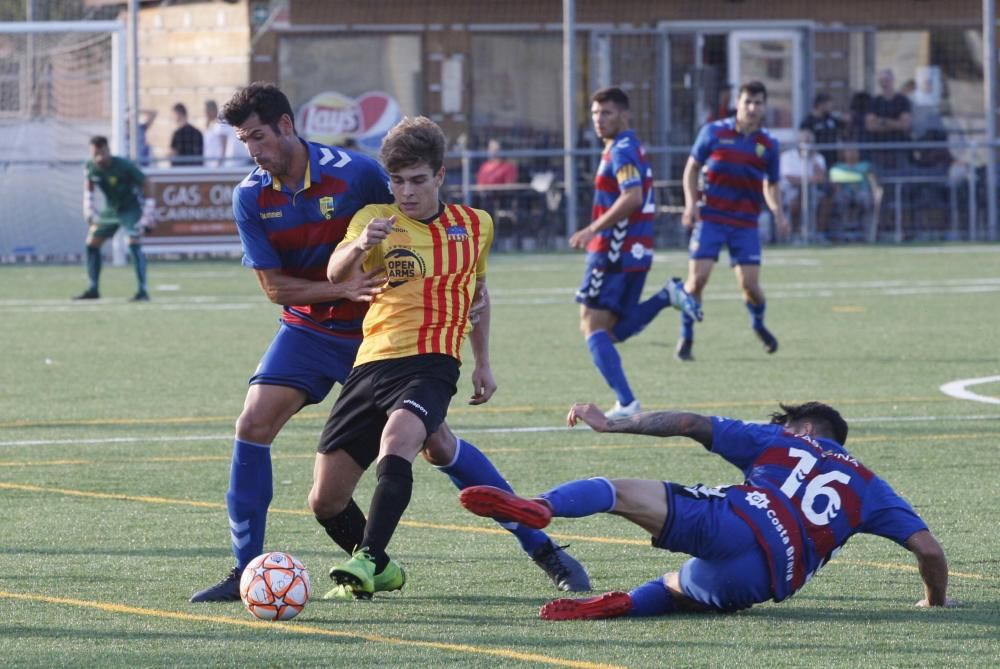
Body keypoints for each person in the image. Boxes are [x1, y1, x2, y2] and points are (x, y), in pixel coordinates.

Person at [188, 85, 588, 603]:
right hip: (310, 328)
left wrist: (458, 306)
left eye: (258, 137)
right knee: (253, 423)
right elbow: (275, 288)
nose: (253, 151)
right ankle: (249, 570)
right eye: (244, 141)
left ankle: (542, 547)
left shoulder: (355, 173)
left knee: (437, 445)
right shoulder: (251, 195)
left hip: (387, 334)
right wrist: (342, 286)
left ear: (286, 125)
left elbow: (417, 208)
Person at [460, 401, 957, 620]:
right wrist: (933, 602)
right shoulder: (871, 485)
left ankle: (543, 506)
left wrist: (611, 425)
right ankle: (628, 603)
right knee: (675, 589)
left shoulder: (781, 440)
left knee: (618, 492)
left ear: (804, 429)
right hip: (766, 579)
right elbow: (929, 551)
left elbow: (690, 422)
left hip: (735, 520)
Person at [315, 115, 536, 599]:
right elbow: (335, 273)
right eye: (397, 181)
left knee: (399, 441)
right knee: (325, 500)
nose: (407, 192)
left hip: (433, 361)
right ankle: (384, 568)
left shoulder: (475, 226)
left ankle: (368, 559)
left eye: (417, 180)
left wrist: (483, 362)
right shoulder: (373, 219)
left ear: (440, 175)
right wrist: (359, 245)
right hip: (370, 363)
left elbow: (479, 295)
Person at [570, 86, 702, 419]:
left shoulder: (621, 152)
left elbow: (632, 197)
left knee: (592, 326)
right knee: (611, 330)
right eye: (596, 113)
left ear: (625, 114)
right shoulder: (627, 147)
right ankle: (667, 296)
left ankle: (627, 402)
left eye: (607, 113)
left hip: (614, 250)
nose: (599, 120)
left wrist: (592, 229)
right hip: (635, 250)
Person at [678, 81, 788, 362]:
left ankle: (758, 324)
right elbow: (691, 169)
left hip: (745, 223)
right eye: (747, 102)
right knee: (697, 280)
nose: (752, 108)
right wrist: (691, 204)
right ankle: (686, 338)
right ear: (737, 104)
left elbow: (771, 184)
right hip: (711, 218)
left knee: (751, 287)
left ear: (764, 107)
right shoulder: (713, 132)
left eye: (758, 103)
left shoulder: (768, 144)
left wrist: (777, 211)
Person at [73, 135, 155, 302]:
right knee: (91, 243)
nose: (99, 158)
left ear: (108, 150)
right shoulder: (91, 166)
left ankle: (142, 291)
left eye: (102, 153)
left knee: (133, 242)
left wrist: (148, 213)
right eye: (95, 154)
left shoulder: (123, 165)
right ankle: (93, 288)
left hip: (130, 209)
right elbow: (89, 183)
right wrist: (88, 207)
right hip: (110, 211)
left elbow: (147, 182)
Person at [779, 129, 830, 243]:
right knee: (795, 203)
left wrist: (812, 158)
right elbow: (789, 178)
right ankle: (795, 233)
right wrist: (809, 180)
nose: (806, 143)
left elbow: (821, 177)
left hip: (813, 189)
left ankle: (818, 233)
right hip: (791, 189)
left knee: (826, 201)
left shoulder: (818, 157)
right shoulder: (787, 156)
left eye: (809, 141)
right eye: (804, 140)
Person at [865, 69, 912, 172]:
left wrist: (882, 121)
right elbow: (870, 126)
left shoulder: (902, 101)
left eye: (886, 80)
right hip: (879, 149)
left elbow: (904, 125)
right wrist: (895, 123)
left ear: (892, 80)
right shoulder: (875, 102)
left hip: (899, 147)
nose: (884, 83)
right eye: (881, 81)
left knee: (901, 177)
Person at [799, 93, 845, 169]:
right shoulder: (808, 121)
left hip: (833, 158)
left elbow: (843, 128)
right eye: (829, 104)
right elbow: (804, 139)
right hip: (817, 159)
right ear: (821, 105)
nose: (831, 107)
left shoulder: (831, 119)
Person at [203, 99, 241, 168]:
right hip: (210, 164)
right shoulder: (211, 125)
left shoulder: (220, 124)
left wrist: (220, 162)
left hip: (218, 164)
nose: (206, 113)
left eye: (207, 111)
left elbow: (224, 144)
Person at [169, 102, 204, 167]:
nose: (173, 117)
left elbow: (172, 153)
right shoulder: (198, 133)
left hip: (180, 171)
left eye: (173, 114)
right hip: (196, 171)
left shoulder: (177, 134)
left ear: (178, 114)